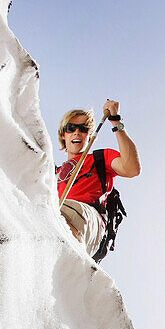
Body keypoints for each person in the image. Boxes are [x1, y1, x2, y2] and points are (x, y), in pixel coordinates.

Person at [55, 99, 140, 257]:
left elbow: (132, 168)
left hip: (89, 220)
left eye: (83, 128)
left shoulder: (100, 158)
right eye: (71, 128)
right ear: (63, 134)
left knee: (59, 213)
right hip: (57, 214)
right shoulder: (52, 173)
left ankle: (72, 260)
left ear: (89, 135)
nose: (77, 132)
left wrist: (116, 121)